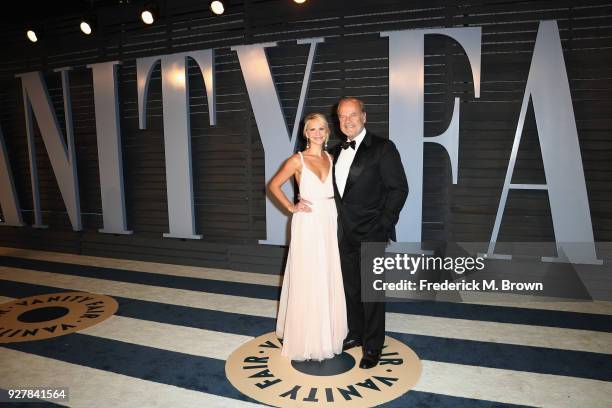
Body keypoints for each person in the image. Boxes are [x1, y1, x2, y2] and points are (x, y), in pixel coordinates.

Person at [333, 97, 408, 369]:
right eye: (342, 116)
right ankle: (356, 333)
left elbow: (399, 189)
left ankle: (373, 346)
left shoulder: (383, 148)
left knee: (372, 294)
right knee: (351, 290)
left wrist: (382, 227)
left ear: (364, 116)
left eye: (353, 114)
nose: (347, 120)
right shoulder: (336, 151)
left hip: (372, 233)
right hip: (344, 234)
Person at [270, 112, 348, 361]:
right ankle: (307, 336)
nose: (317, 133)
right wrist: (291, 207)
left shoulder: (331, 158)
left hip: (329, 218)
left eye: (321, 129)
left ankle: (328, 332)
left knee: (327, 273)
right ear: (306, 133)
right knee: (308, 275)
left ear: (328, 132)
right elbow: (273, 186)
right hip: (308, 222)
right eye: (312, 129)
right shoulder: (297, 160)